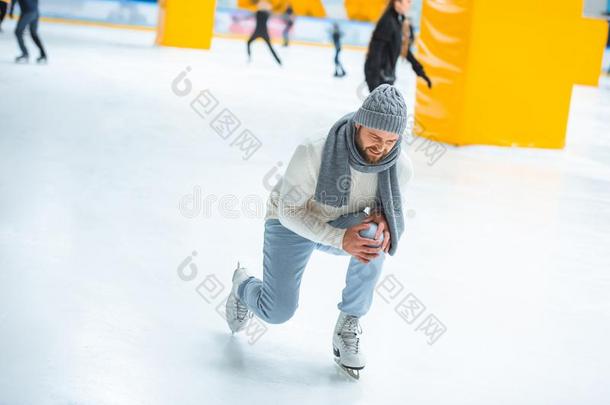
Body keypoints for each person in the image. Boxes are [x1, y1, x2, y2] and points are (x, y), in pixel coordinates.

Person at [225, 84, 413, 379]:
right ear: (358, 124)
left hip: (342, 221)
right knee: (277, 313)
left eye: (391, 141)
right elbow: (289, 211)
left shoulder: (399, 166)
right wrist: (339, 239)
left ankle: (348, 325)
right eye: (375, 137)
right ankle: (243, 285)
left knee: (377, 236)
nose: (382, 148)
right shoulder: (315, 150)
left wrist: (383, 218)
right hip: (292, 222)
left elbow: (387, 208)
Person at [364, 0, 430, 91]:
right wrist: (375, 83)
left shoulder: (398, 21)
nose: (409, 4)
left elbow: (403, 49)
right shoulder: (388, 21)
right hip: (379, 77)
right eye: (407, 1)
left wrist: (420, 71)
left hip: (387, 76)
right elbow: (375, 51)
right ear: (397, 3)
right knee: (382, 105)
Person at [246, 0, 282, 65]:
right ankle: (279, 61)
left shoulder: (258, 13)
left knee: (248, 42)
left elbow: (248, 16)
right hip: (264, 33)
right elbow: (273, 13)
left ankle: (249, 58)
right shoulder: (266, 14)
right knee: (270, 47)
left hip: (257, 32)